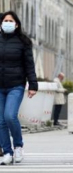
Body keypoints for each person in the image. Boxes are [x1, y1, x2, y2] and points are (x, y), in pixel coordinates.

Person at [0, 11, 37, 165]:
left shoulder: (23, 42)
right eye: (5, 20)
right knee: (0, 121)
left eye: (11, 20)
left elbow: (29, 64)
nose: (8, 23)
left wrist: (33, 85)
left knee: (10, 116)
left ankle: (18, 146)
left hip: (16, 85)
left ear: (16, 24)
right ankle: (7, 152)